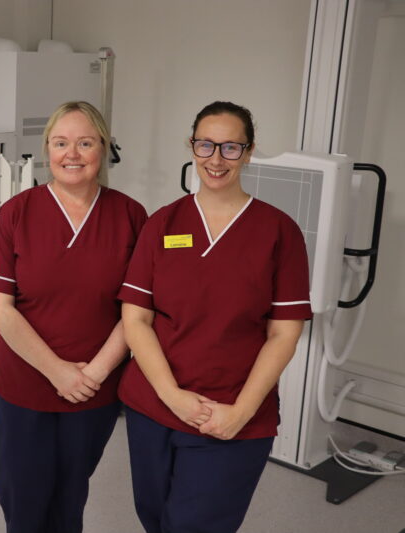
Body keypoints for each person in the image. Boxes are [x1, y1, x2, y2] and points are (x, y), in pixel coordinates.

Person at [118, 101, 312, 533]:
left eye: (230, 147)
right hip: (154, 406)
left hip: (232, 414)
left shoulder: (279, 232)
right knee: (154, 517)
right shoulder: (163, 224)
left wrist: (240, 412)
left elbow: (283, 334)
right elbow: (137, 320)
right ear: (192, 146)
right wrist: (171, 395)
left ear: (248, 152)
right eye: (206, 145)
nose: (216, 159)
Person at [0, 101, 148, 533]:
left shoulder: (131, 217)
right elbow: (2, 308)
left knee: (70, 490)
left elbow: (137, 311)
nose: (71, 154)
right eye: (60, 143)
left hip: (95, 385)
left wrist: (92, 374)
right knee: (21, 492)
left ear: (103, 149)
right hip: (26, 380)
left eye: (85, 142)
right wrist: (58, 371)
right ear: (47, 150)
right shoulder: (16, 214)